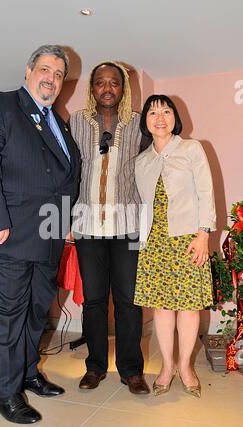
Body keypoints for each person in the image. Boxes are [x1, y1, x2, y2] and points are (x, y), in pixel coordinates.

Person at [0, 45, 80, 424]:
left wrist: (62, 224)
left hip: (45, 239)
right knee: (5, 318)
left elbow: (67, 180)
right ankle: (4, 394)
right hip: (6, 237)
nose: (51, 78)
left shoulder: (58, 122)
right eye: (45, 69)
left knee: (33, 315)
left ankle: (27, 374)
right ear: (29, 70)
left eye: (59, 74)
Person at [70, 62, 149, 394]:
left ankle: (131, 370)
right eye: (100, 82)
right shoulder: (75, 122)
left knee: (129, 301)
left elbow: (150, 172)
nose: (107, 87)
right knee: (94, 301)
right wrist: (65, 219)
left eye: (114, 83)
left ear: (123, 89)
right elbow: (67, 170)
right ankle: (95, 367)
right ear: (92, 88)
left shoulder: (138, 124)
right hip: (88, 227)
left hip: (127, 225)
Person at [134, 94, 216, 398]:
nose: (160, 117)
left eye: (166, 111)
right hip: (154, 241)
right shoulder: (141, 161)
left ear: (174, 118)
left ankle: (186, 366)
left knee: (190, 307)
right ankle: (167, 366)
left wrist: (204, 234)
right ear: (146, 121)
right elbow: (142, 204)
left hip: (188, 238)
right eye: (153, 112)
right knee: (163, 307)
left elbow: (205, 192)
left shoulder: (192, 149)